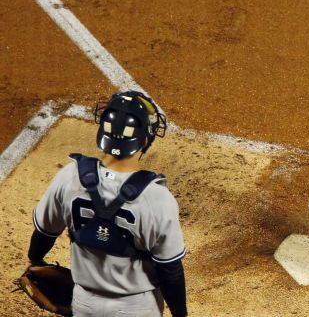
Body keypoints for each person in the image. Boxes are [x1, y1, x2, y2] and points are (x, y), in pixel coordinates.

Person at [27, 91, 188, 316]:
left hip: (84, 304)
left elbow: (45, 233)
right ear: (144, 141)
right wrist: (181, 314)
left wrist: (35, 260)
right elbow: (170, 269)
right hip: (137, 309)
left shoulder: (69, 177)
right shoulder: (157, 198)